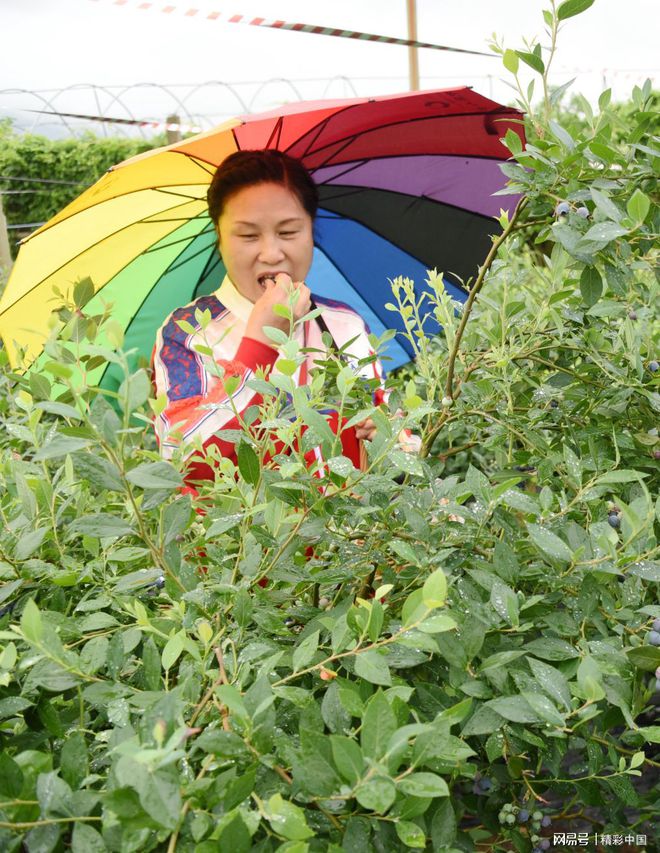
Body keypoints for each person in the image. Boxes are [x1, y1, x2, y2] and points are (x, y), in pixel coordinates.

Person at [152, 149, 386, 483]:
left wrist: (386, 438)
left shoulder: (343, 323)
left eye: (289, 232)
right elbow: (184, 464)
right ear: (219, 238)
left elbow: (391, 437)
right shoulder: (188, 333)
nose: (272, 253)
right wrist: (259, 343)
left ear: (311, 232)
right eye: (248, 235)